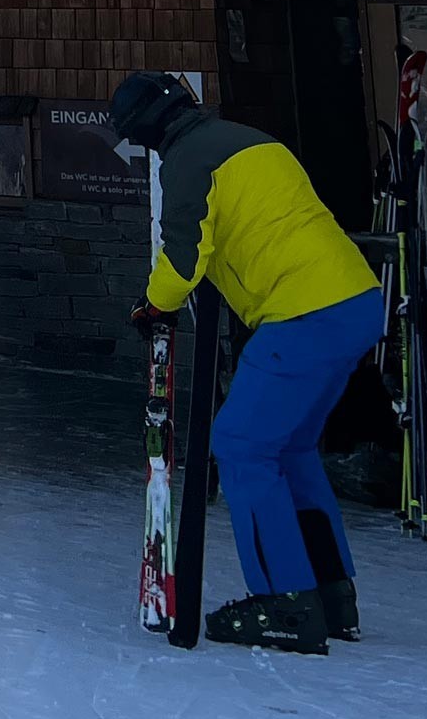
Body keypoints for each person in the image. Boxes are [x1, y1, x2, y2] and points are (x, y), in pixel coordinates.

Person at [108, 70, 383, 655]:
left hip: (302, 313)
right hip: (356, 301)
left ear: (148, 130)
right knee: (290, 448)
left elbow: (183, 258)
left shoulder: (187, 161)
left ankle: (286, 603)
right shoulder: (253, 140)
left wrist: (153, 307)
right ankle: (332, 595)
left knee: (240, 446)